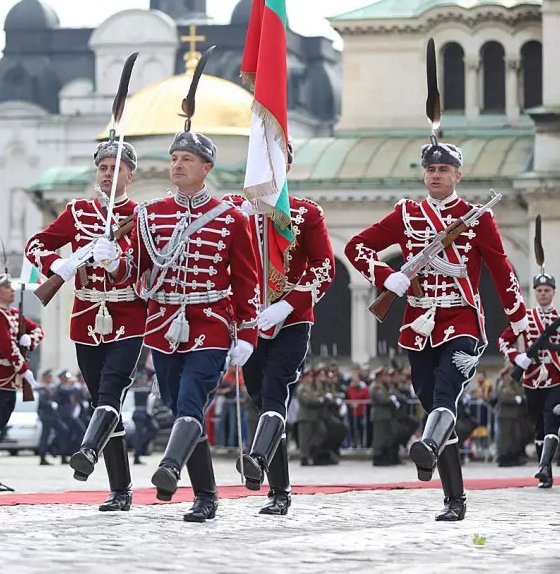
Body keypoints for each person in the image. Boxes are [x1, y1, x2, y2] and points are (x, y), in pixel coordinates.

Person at [345, 136, 528, 522]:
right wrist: (387, 276)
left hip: (462, 321)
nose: (435, 175)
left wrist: (518, 317)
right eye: (430, 169)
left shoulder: (478, 217)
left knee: (446, 393)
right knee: (432, 403)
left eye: (443, 169)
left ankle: (428, 446)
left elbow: (501, 268)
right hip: (418, 323)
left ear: (457, 175)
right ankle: (453, 495)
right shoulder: (406, 214)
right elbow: (356, 247)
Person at [114, 77, 259, 523]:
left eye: (187, 159)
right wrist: (112, 260)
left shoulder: (230, 217)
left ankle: (170, 468)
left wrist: (247, 333)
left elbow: (246, 280)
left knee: (192, 401)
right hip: (162, 326)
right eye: (174, 158)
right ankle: (207, 495)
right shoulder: (150, 214)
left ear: (206, 167)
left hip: (211, 322)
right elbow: (135, 272)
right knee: (180, 409)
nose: (176, 165)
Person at [25, 138, 147, 512]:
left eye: (117, 168)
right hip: (87, 319)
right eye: (103, 168)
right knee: (100, 402)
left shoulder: (141, 216)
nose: (109, 174)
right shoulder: (77, 213)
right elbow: (35, 243)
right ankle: (120, 489)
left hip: (128, 319)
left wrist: (118, 262)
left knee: (111, 393)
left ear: (130, 174)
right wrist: (55, 265)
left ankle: (88, 451)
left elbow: (148, 267)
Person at [223, 140, 336, 515]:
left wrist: (289, 304)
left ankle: (263, 467)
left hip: (291, 321)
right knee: (260, 398)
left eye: (276, 159)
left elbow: (324, 267)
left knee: (275, 391)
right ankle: (279, 487)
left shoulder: (305, 213)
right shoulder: (233, 212)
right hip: (249, 321)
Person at [0, 272, 44, 493]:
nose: (12, 290)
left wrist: (29, 339)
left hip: (8, 381)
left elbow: (39, 330)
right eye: (7, 288)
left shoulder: (13, 314)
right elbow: (7, 348)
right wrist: (24, 370)